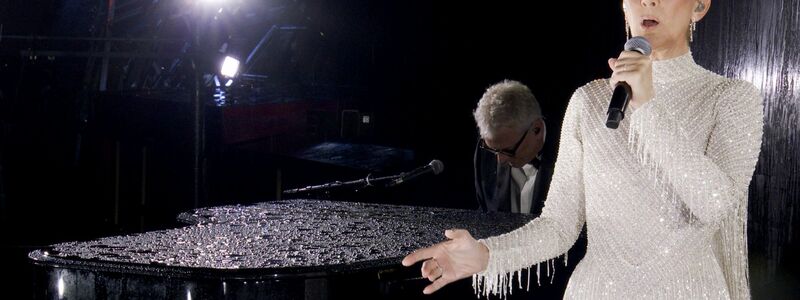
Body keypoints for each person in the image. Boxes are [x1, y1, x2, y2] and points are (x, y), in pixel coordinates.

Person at [402, 1, 763, 299]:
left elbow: (716, 204)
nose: (647, 2)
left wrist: (648, 106)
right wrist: (486, 255)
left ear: (699, 6)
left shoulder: (730, 98)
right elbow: (559, 226)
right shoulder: (589, 101)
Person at [473, 80, 554, 215]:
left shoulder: (573, 154)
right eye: (493, 150)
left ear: (537, 129)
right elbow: (486, 216)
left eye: (508, 150)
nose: (500, 160)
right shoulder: (488, 148)